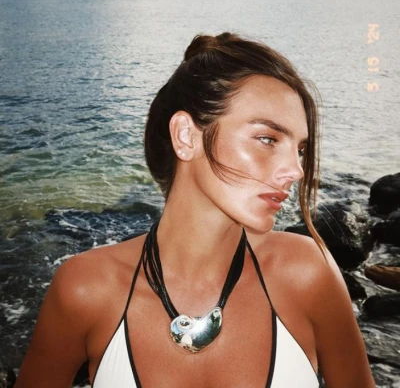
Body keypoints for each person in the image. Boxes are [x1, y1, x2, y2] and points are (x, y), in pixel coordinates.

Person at [15, 32, 375, 388]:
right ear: (186, 136)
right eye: (267, 139)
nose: (296, 170)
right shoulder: (85, 289)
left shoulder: (307, 273)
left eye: (300, 150)